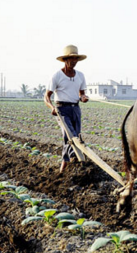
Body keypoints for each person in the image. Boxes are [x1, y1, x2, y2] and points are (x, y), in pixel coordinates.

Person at [44, 45, 89, 173]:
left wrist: (83, 97)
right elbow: (46, 96)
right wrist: (52, 107)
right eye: (71, 59)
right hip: (61, 109)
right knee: (70, 135)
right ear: (65, 60)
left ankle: (63, 168)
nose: (74, 62)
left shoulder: (80, 75)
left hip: (76, 109)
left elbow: (81, 94)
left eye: (76, 59)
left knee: (74, 136)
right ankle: (75, 159)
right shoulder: (57, 76)